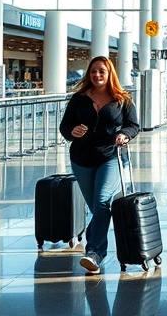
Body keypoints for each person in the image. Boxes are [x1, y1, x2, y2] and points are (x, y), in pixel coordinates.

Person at [59, 56, 140, 274]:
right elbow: (65, 126)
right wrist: (71, 132)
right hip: (81, 160)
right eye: (94, 71)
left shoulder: (122, 99)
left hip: (110, 157)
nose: (97, 75)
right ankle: (95, 236)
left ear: (109, 73)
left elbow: (134, 125)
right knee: (96, 208)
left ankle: (95, 253)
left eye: (102, 71)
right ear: (89, 74)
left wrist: (124, 134)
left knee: (102, 201)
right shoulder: (78, 98)